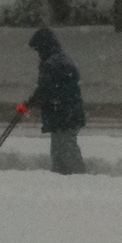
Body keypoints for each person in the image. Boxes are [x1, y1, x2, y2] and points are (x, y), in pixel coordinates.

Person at [26, 26, 86, 173]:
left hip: (64, 115)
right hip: (64, 114)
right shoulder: (58, 60)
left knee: (66, 151)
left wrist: (31, 104)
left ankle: (79, 179)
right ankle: (61, 179)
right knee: (59, 151)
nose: (38, 53)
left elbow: (47, 90)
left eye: (38, 49)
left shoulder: (55, 64)